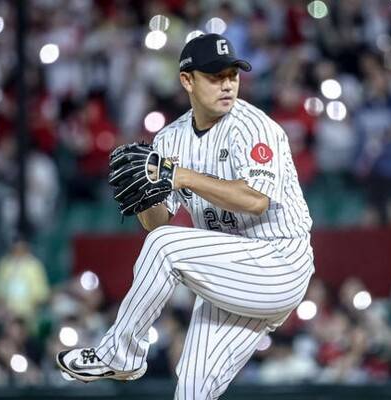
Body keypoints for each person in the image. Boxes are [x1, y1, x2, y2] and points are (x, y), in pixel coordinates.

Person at [57, 33, 315, 399]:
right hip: (230, 273)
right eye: (215, 76)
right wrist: (144, 195)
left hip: (278, 261)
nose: (227, 84)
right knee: (192, 389)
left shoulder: (255, 127)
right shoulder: (169, 139)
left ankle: (119, 354)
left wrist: (180, 176)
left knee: (166, 246)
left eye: (232, 75)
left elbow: (256, 201)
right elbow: (157, 225)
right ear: (187, 80)